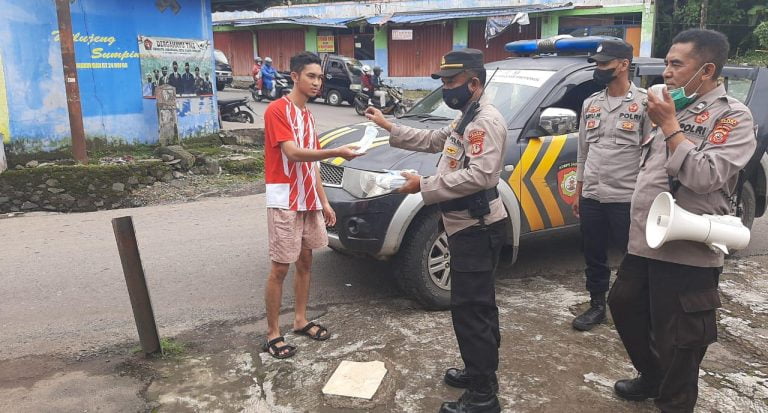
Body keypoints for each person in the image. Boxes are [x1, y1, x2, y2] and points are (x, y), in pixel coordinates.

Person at [608, 29, 756, 412]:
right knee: (624, 304)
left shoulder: (733, 117)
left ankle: (674, 401)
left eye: (676, 64)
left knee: (681, 340)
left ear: (706, 70)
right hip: (646, 240)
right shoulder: (668, 106)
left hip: (688, 247)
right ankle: (653, 376)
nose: (666, 73)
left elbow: (706, 176)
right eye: (666, 63)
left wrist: (671, 129)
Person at [366, 48, 507, 413]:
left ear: (473, 83)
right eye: (443, 81)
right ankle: (481, 372)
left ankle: (483, 396)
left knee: (471, 310)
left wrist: (422, 186)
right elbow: (432, 140)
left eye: (451, 82)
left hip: (477, 227)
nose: (445, 88)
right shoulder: (465, 117)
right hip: (464, 226)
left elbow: (481, 175)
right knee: (476, 306)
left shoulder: (483, 122)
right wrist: (388, 126)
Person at [261, 51, 362, 359]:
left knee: (306, 263)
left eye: (320, 77)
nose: (317, 82)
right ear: (295, 76)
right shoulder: (278, 110)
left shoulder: (307, 116)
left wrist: (325, 202)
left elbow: (313, 167)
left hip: (308, 199)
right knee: (280, 268)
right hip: (285, 200)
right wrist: (337, 151)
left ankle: (300, 319)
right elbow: (292, 154)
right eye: (311, 76)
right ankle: (272, 333)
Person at [571, 39, 650, 331]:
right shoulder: (590, 103)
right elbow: (583, 151)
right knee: (593, 254)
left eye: (605, 64)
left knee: (633, 257)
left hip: (626, 197)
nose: (599, 69)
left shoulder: (643, 104)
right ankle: (596, 305)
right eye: (597, 64)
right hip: (592, 195)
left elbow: (650, 155)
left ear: (624, 65)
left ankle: (634, 307)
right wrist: (579, 192)